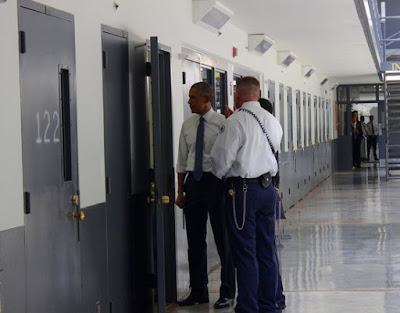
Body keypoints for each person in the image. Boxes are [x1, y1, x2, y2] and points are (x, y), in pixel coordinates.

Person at [211, 77, 284, 313]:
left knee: (245, 251)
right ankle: (269, 304)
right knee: (267, 250)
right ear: (257, 93)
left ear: (238, 95)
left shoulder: (236, 122)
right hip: (268, 190)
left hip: (243, 192)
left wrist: (221, 174)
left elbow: (221, 161)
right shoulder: (272, 121)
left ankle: (248, 307)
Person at [175, 82, 235, 309]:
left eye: (193, 97)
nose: (189, 101)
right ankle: (198, 291)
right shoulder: (188, 125)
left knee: (223, 240)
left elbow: (230, 158)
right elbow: (181, 161)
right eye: (189, 97)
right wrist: (180, 191)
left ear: (206, 98)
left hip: (217, 183)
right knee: (195, 241)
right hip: (194, 184)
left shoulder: (223, 124)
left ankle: (227, 291)